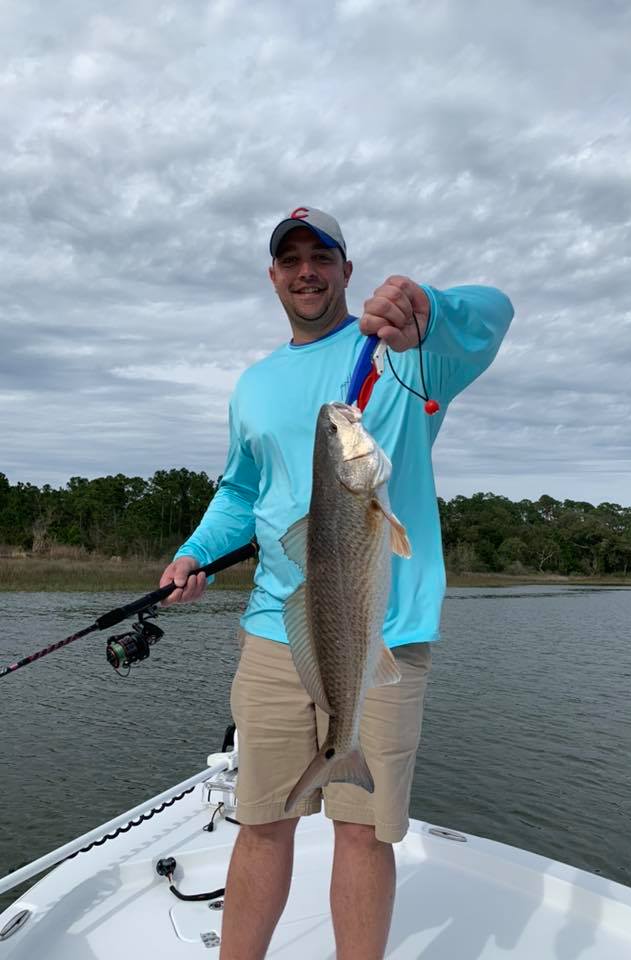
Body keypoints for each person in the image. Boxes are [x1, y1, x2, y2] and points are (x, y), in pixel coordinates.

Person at [159, 207, 513, 960]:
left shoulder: (401, 354)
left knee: (360, 830)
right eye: (291, 260)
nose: (307, 271)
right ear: (273, 277)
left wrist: (428, 312)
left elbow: (495, 313)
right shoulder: (253, 384)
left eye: (322, 256)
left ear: (347, 270)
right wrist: (193, 552)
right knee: (261, 823)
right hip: (273, 631)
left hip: (380, 633)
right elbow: (240, 494)